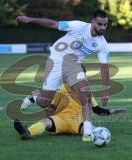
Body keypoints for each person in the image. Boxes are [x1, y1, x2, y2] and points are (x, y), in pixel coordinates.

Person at [16, 10, 110, 141]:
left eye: (105, 25)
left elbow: (104, 68)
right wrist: (31, 19)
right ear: (92, 22)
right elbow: (53, 23)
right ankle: (34, 97)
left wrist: (105, 91)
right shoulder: (78, 26)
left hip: (73, 63)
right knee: (45, 102)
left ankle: (88, 130)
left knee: (85, 92)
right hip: (55, 60)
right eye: (100, 24)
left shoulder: (102, 44)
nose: (103, 27)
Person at [14, 84, 126, 141]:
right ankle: (27, 132)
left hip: (78, 121)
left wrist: (112, 111)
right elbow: (53, 106)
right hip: (61, 119)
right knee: (45, 122)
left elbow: (97, 110)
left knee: (88, 132)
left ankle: (97, 139)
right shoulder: (62, 88)